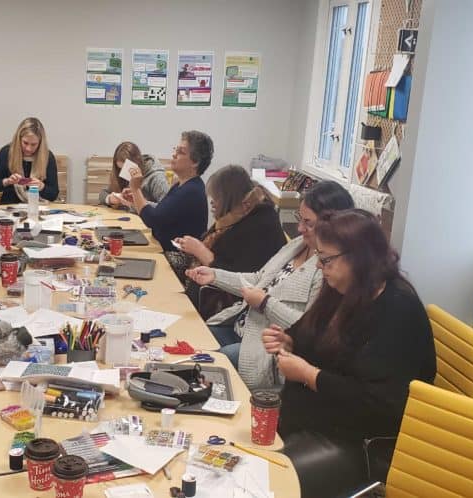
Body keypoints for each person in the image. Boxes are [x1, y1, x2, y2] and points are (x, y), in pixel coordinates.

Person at [267, 209, 435, 497]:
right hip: (319, 417)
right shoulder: (345, 288)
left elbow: (379, 401)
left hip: (363, 440)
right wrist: (288, 341)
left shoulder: (397, 309)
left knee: (267, 478)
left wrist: (309, 375)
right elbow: (307, 332)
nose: (319, 266)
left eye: (326, 259)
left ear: (359, 257)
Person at [186, 181, 355, 389]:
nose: (300, 228)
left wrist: (266, 303)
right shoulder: (297, 245)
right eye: (299, 219)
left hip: (262, 347)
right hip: (241, 326)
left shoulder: (327, 269)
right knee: (190, 340)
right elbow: (259, 279)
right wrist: (215, 276)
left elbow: (307, 327)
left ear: (333, 224)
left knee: (206, 366)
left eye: (309, 223)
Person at [171, 165, 284, 319]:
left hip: (230, 307)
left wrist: (201, 251)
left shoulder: (261, 226)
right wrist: (190, 246)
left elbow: (239, 280)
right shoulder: (238, 215)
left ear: (229, 198)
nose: (212, 203)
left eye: (216, 198)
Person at [123, 131, 212, 251]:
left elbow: (153, 220)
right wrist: (136, 198)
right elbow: (160, 213)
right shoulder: (181, 185)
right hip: (163, 248)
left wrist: (135, 189)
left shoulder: (191, 191)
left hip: (178, 258)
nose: (174, 154)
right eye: (175, 150)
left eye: (180, 152)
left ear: (195, 162)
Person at [0, 117, 59, 204]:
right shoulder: (7, 152)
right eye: (25, 143)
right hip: (10, 207)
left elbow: (53, 194)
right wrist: (7, 181)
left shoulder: (47, 157)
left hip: (39, 207)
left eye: (33, 144)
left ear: (40, 143)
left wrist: (41, 186)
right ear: (18, 139)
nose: (28, 148)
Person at [98, 141, 168, 212]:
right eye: (120, 169)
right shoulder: (121, 173)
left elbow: (167, 209)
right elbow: (102, 193)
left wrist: (138, 202)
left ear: (137, 162)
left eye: (126, 169)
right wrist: (109, 198)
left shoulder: (156, 177)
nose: (123, 174)